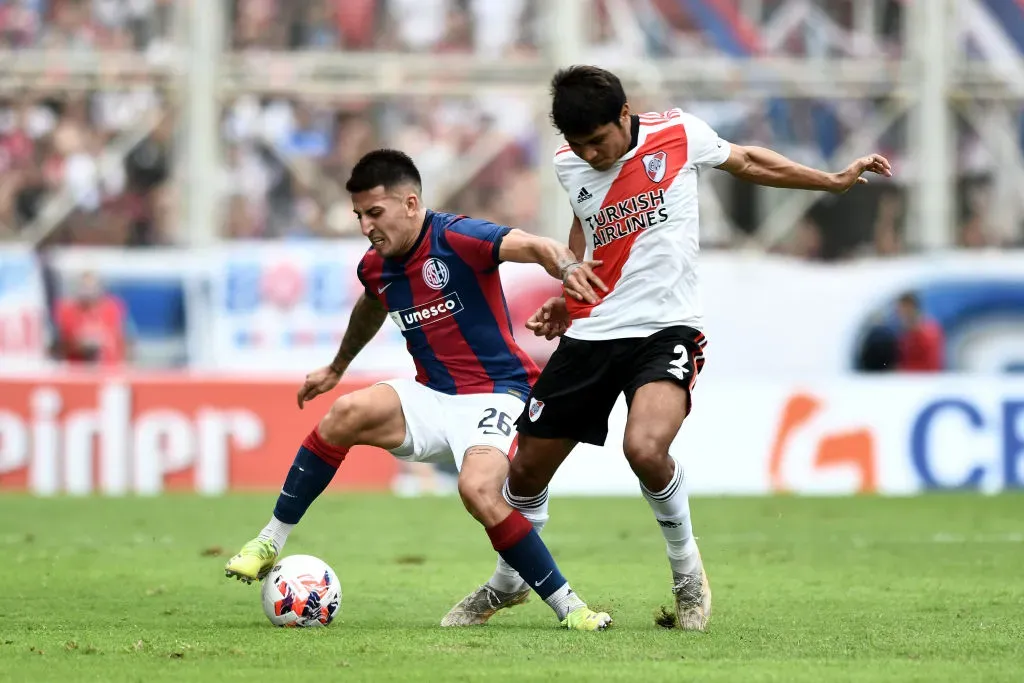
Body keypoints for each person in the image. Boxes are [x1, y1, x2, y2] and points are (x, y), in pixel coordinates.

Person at [503, 65, 893, 632]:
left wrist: (830, 181)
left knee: (645, 447)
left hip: (666, 330)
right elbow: (586, 227)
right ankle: (510, 581)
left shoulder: (678, 134)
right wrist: (570, 293)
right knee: (524, 474)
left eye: (598, 140)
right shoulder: (569, 164)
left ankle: (688, 573)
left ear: (623, 114)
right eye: (578, 145)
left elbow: (751, 161)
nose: (589, 154)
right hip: (593, 332)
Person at [224, 149, 612, 631]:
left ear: (411, 203)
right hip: (433, 398)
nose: (366, 226)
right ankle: (269, 541)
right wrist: (336, 367)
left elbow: (535, 246)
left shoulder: (457, 237)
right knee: (342, 414)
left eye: (375, 213)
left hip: (498, 393)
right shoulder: (376, 266)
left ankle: (570, 608)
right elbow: (371, 305)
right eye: (360, 216)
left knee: (477, 489)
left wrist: (569, 267)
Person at [895, 291, 944, 372]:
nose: (900, 312)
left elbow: (931, 365)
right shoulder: (904, 332)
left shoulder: (928, 331)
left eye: (903, 308)